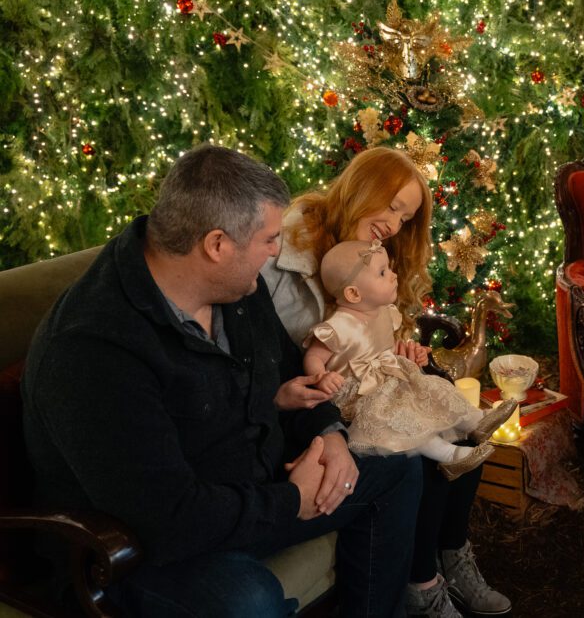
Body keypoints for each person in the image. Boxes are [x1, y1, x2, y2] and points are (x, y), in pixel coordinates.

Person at [21, 145, 422, 617]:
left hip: (249, 490)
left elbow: (291, 368)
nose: (277, 252)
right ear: (217, 245)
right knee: (249, 601)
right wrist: (292, 500)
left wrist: (330, 434)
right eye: (269, 239)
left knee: (398, 469)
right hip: (141, 549)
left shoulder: (235, 287)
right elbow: (168, 518)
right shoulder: (93, 348)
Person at [261, 146, 513, 617]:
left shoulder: (376, 253)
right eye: (393, 207)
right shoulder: (285, 250)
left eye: (406, 217)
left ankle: (452, 550)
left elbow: (377, 328)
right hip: (321, 402)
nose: (396, 225)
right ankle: (422, 581)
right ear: (364, 189)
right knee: (413, 447)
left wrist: (402, 349)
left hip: (369, 379)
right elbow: (272, 352)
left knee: (456, 416)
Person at [305, 239, 517, 476]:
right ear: (354, 293)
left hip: (390, 379)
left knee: (435, 388)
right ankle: (449, 456)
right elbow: (314, 356)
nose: (393, 275)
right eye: (383, 272)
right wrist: (321, 376)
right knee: (406, 420)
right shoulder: (339, 325)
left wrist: (407, 352)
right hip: (362, 394)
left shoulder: (384, 312)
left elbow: (383, 347)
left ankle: (476, 421)